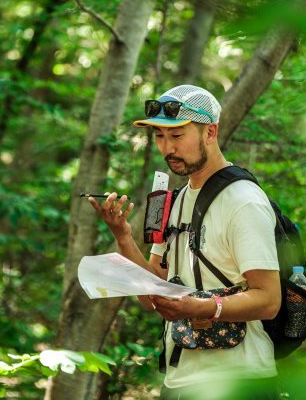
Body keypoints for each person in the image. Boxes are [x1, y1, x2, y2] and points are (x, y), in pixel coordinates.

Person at [87, 85, 281, 400]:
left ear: (210, 132)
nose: (167, 148)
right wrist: (122, 235)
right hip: (179, 381)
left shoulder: (244, 201)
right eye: (160, 137)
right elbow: (151, 294)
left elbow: (270, 300)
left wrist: (202, 307)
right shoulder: (172, 202)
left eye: (177, 136)